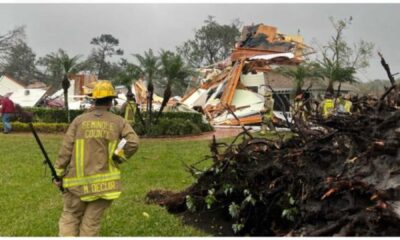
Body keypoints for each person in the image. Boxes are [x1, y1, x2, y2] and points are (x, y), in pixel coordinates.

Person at [54, 80, 139, 237]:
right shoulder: (119, 122)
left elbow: (65, 150)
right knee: (91, 224)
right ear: (111, 101)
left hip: (76, 185)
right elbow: (133, 142)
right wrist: (118, 156)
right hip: (104, 186)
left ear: (94, 99)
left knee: (70, 217)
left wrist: (58, 173)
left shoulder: (79, 121)